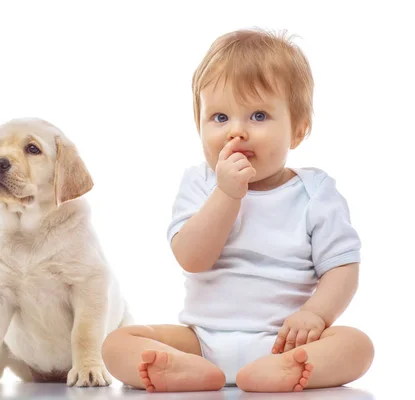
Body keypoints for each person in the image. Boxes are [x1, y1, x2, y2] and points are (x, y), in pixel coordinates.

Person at [101, 28, 374, 393]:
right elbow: (192, 258)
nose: (236, 132)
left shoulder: (315, 192)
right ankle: (188, 370)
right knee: (117, 343)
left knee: (357, 346)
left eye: (258, 116)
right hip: (201, 341)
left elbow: (342, 269)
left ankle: (286, 369)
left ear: (298, 130)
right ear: (198, 125)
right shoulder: (199, 184)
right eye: (219, 118)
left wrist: (315, 315)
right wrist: (226, 194)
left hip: (284, 341)